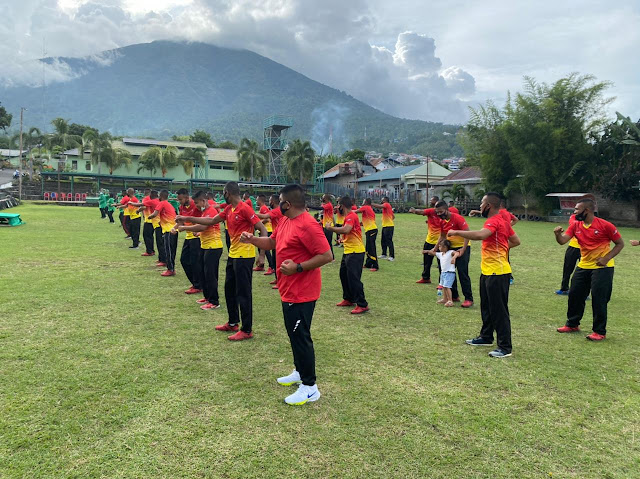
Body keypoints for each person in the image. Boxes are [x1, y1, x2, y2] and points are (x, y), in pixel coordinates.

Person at [241, 184, 332, 405]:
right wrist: (252, 240)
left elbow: (327, 255)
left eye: (279, 200)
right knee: (294, 334)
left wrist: (298, 267)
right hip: (288, 289)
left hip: (303, 292)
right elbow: (273, 242)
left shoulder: (308, 225)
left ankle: (310, 387)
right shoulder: (285, 221)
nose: (276, 203)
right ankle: (300, 371)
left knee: (301, 336)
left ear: (287, 203)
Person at [178, 181, 268, 341]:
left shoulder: (245, 208)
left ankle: (247, 330)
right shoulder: (228, 209)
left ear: (228, 193)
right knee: (229, 290)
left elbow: (262, 228)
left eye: (224, 193)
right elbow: (211, 221)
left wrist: (261, 255)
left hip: (245, 256)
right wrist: (187, 218)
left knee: (243, 293)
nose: (222, 196)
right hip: (233, 255)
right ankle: (233, 322)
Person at [449, 193, 521, 358]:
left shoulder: (494, 221)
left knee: (499, 310)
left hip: (498, 272)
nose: (480, 206)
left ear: (488, 205)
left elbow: (481, 235)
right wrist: (503, 247)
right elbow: (515, 241)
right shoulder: (502, 221)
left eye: (482, 203)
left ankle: (505, 347)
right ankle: (486, 336)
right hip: (488, 272)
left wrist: (456, 232)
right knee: (487, 307)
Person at [553, 198, 624, 341]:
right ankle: (572, 324)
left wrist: (606, 258)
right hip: (584, 265)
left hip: (602, 267)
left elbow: (620, 244)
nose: (574, 212)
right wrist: (557, 234)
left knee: (599, 298)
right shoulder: (575, 225)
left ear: (587, 210)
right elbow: (562, 241)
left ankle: (599, 331)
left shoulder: (605, 225)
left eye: (577, 209)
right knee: (574, 295)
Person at [177, 191, 223, 310]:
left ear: (203, 201)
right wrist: (198, 232)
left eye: (197, 203)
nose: (196, 205)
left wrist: (185, 227)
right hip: (205, 246)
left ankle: (214, 301)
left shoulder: (211, 211)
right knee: (203, 273)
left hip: (213, 247)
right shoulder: (204, 212)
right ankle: (207, 297)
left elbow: (203, 226)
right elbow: (204, 228)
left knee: (210, 274)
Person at [326, 196, 369, 314]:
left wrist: (330, 228)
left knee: (354, 279)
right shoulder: (348, 217)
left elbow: (346, 229)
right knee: (344, 275)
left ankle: (362, 304)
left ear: (342, 206)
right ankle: (348, 298)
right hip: (348, 251)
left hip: (355, 252)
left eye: (338, 205)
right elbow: (350, 233)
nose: (336, 207)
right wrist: (342, 240)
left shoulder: (351, 216)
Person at [432, 200, 473, 307]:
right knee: (448, 272)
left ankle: (468, 298)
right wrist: (435, 249)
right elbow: (442, 236)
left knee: (462, 273)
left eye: (441, 212)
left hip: (462, 248)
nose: (439, 214)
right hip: (450, 249)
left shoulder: (458, 218)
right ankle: (454, 296)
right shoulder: (442, 221)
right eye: (437, 212)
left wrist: (463, 249)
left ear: (446, 209)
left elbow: (467, 233)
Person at [176, 189, 203, 294]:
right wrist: (174, 228)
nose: (179, 201)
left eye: (181, 199)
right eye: (178, 199)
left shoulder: (196, 205)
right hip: (188, 237)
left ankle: (198, 285)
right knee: (183, 260)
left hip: (196, 238)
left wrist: (200, 232)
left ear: (187, 197)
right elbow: (181, 221)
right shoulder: (181, 207)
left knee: (195, 262)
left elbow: (205, 220)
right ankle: (196, 282)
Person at [409, 196, 441, 284]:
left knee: (441, 263)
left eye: (432, 200)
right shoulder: (432, 212)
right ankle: (426, 278)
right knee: (427, 261)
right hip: (429, 240)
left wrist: (414, 210)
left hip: (440, 241)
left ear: (436, 201)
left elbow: (422, 211)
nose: (430, 201)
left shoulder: (432, 210)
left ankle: (442, 282)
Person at [147, 189, 178, 277]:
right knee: (172, 250)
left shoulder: (162, 203)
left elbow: (155, 213)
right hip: (173, 229)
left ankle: (170, 269)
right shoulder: (169, 204)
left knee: (168, 250)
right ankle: (171, 268)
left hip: (169, 230)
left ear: (161, 196)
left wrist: (150, 217)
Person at [256, 195, 284, 288]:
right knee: (275, 259)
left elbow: (265, 216)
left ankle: (280, 282)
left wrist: (251, 213)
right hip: (276, 236)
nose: (269, 202)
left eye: (270, 200)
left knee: (277, 260)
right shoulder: (278, 210)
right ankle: (277, 279)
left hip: (279, 238)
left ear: (274, 202)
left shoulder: (276, 211)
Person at [424, 239, 459, 307]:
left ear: (445, 247)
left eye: (440, 246)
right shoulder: (441, 254)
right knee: (443, 286)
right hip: (443, 273)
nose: (439, 248)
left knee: (447, 286)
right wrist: (426, 251)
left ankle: (450, 300)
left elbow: (457, 253)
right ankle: (445, 299)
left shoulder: (450, 252)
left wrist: (454, 258)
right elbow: (433, 253)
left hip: (449, 273)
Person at [556, 214, 582, 295]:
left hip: (586, 249)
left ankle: (584, 293)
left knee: (585, 271)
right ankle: (564, 289)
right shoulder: (573, 217)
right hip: (573, 247)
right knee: (567, 269)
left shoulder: (591, 220)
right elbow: (573, 222)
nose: (576, 211)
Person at [128, 189, 156, 257]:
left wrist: (138, 210)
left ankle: (149, 251)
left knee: (146, 236)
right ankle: (151, 250)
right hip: (154, 220)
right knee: (150, 236)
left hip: (148, 220)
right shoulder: (153, 199)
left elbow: (143, 206)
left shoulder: (146, 199)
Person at [356, 198, 379, 271]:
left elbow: (355, 211)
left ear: (365, 202)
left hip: (371, 230)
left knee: (372, 248)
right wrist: (360, 224)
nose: (362, 202)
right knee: (368, 247)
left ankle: (375, 266)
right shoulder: (369, 209)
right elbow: (367, 221)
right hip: (370, 230)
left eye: (363, 201)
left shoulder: (365, 207)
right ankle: (368, 264)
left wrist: (345, 210)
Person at [256, 195, 276, 275]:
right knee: (260, 248)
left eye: (257, 200)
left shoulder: (263, 208)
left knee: (266, 249)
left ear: (260, 200)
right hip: (264, 230)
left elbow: (267, 219)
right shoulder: (262, 208)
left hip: (267, 230)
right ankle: (261, 266)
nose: (256, 201)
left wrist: (258, 223)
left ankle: (271, 267)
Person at [372, 197, 395, 261]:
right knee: (383, 241)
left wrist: (371, 204)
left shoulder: (387, 204)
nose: (381, 200)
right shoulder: (388, 207)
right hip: (385, 226)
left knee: (389, 241)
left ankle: (392, 256)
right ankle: (384, 254)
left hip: (389, 226)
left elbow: (379, 206)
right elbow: (393, 216)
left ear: (385, 200)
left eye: (382, 199)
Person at [321, 194, 335, 259]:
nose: (322, 199)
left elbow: (320, 208)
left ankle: (332, 257)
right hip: (325, 226)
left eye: (323, 198)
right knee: (325, 242)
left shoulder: (329, 205)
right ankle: (327, 256)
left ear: (326, 199)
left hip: (329, 226)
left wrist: (309, 206)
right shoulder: (326, 204)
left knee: (328, 242)